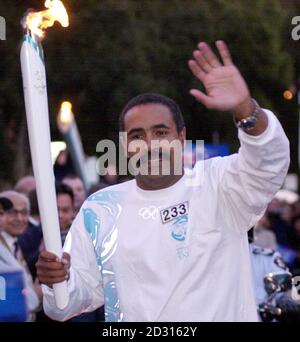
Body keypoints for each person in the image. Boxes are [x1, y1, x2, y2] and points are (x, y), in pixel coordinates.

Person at [37, 41, 290, 322]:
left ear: (181, 138)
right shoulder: (100, 209)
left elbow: (270, 162)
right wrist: (56, 283)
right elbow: (67, 305)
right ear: (124, 145)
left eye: (160, 132)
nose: (150, 145)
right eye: (137, 136)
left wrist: (246, 110)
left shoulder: (218, 184)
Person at [0, 193, 39, 320]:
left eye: (24, 212)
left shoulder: (14, 244)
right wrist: (37, 295)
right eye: (12, 212)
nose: (19, 218)